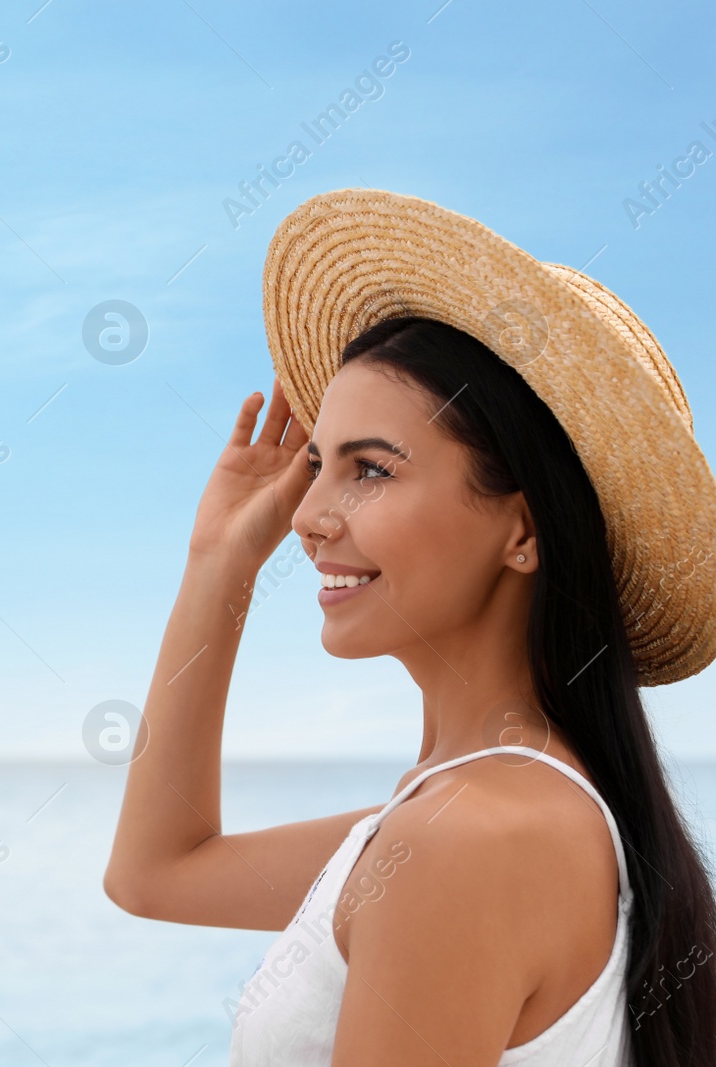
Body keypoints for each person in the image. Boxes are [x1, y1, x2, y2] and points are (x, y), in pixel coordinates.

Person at [104, 188, 716, 1065]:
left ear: (525, 529)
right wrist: (219, 564)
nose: (309, 513)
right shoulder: (476, 813)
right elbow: (155, 873)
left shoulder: (462, 843)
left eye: (372, 470)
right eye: (318, 463)